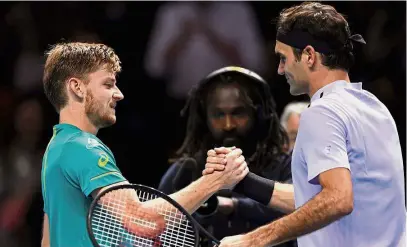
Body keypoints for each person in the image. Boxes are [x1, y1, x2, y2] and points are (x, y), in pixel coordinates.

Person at [204, 2, 406, 247]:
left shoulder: (322, 112)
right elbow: (324, 199)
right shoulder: (374, 107)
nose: (279, 69)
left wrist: (253, 240)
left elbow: (338, 200)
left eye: (283, 58)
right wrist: (244, 181)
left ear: (309, 56)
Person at [39, 42, 248, 247]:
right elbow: (144, 221)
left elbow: (48, 241)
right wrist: (215, 180)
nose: (119, 94)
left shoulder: (55, 149)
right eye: (108, 84)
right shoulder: (84, 148)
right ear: (77, 87)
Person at [158, 66, 296, 247]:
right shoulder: (185, 170)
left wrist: (234, 206)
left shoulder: (286, 165)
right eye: (219, 115)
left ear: (259, 114)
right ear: (204, 117)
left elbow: (308, 210)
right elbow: (158, 224)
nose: (228, 125)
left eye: (238, 113)